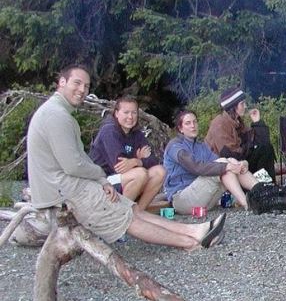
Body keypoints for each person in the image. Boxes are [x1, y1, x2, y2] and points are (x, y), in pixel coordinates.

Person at [27, 65, 225, 251]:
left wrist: (112, 174)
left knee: (133, 210)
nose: (82, 89)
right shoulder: (57, 116)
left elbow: (151, 161)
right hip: (62, 192)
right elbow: (74, 165)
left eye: (86, 86)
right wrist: (101, 176)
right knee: (127, 216)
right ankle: (190, 242)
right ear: (62, 82)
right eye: (77, 83)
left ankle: (196, 230)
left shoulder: (61, 114)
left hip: (71, 185)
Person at [164, 110, 257, 214]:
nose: (193, 126)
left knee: (230, 162)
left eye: (195, 122)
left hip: (203, 199)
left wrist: (242, 163)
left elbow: (220, 163)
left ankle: (262, 192)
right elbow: (195, 167)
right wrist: (227, 166)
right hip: (182, 199)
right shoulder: (175, 146)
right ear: (180, 129)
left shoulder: (201, 147)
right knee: (225, 165)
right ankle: (247, 204)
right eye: (188, 123)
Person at [89, 95, 166, 212]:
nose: (130, 117)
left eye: (134, 113)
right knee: (140, 174)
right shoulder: (109, 131)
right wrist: (137, 160)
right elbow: (120, 167)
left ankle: (138, 212)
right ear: (116, 113)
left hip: (123, 179)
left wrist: (136, 161)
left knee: (160, 171)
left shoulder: (137, 134)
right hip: (103, 180)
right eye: (126, 112)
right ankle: (120, 214)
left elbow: (154, 160)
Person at [205, 86, 276, 183]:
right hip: (225, 167)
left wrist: (257, 122)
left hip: (239, 160)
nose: (245, 106)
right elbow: (229, 154)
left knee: (266, 148)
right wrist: (251, 148)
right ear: (233, 107)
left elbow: (260, 142)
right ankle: (262, 188)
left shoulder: (237, 121)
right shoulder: (219, 124)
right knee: (262, 150)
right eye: (242, 104)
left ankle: (268, 186)